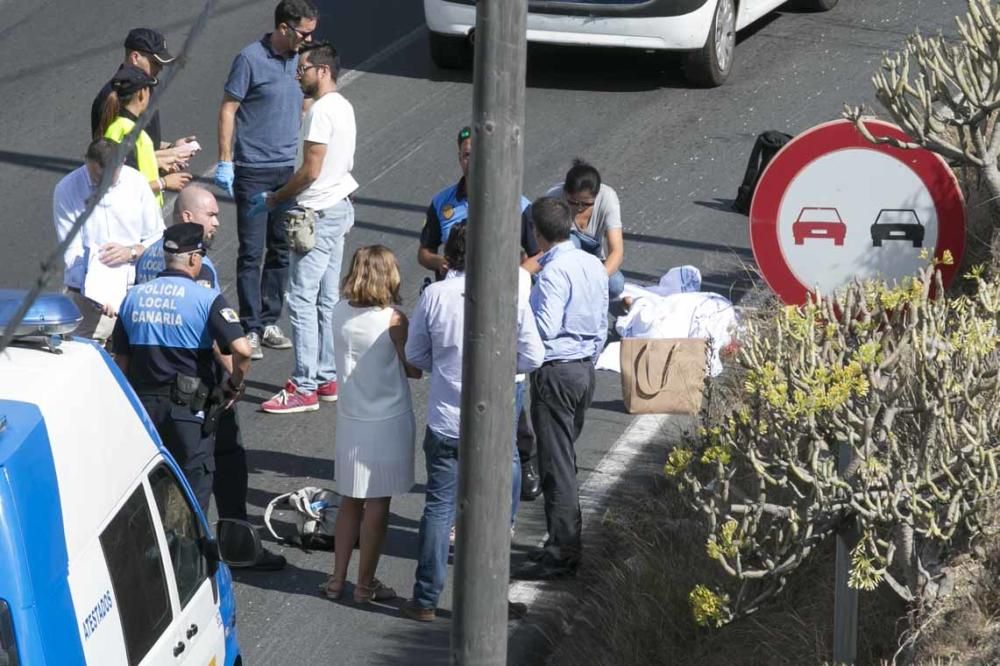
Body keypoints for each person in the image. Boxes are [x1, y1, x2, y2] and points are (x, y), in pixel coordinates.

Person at [133, 188, 285, 570]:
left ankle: (162, 553)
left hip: (149, 387)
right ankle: (228, 549)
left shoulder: (150, 257)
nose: (218, 222)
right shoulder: (202, 272)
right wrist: (234, 381)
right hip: (196, 389)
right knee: (223, 462)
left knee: (163, 474)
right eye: (212, 215)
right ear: (188, 219)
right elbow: (217, 335)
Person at [402, 224, 544, 622]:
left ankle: (426, 598)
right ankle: (491, 598)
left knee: (438, 508)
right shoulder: (509, 293)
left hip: (447, 419)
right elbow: (533, 355)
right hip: (494, 422)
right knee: (494, 512)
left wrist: (449, 367)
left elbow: (416, 353)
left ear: (451, 257)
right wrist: (498, 369)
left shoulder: (434, 295)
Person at [111, 224, 252, 513]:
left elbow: (121, 365)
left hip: (145, 411)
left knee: (151, 488)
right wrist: (234, 384)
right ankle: (191, 554)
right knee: (192, 492)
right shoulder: (205, 299)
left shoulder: (133, 298)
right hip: (189, 412)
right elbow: (242, 349)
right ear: (193, 259)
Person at [215, 0, 319, 359]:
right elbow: (229, 108)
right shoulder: (249, 59)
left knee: (280, 248)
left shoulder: (301, 61)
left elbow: (307, 100)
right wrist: (225, 161)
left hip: (285, 170)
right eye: (304, 32)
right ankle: (250, 325)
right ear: (285, 27)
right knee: (251, 252)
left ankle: (270, 319)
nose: (308, 39)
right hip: (253, 170)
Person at [259, 42, 358, 414]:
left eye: (303, 68)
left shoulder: (319, 112)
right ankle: (326, 376)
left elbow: (311, 170)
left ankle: (303, 386)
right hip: (339, 207)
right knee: (326, 297)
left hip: (316, 213)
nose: (298, 74)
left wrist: (277, 197)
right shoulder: (344, 107)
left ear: (323, 71)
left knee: (301, 298)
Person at [319, 246, 420, 603]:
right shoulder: (394, 320)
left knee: (350, 500)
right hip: (387, 419)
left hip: (351, 418)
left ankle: (336, 579)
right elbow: (414, 368)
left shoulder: (338, 312)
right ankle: (365, 584)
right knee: (377, 504)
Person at [516, 197, 608, 581]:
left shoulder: (553, 273)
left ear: (537, 233)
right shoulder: (592, 264)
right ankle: (561, 538)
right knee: (563, 458)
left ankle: (562, 550)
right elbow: (603, 321)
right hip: (585, 369)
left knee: (557, 466)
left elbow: (545, 327)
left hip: (557, 372)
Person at [53, 138, 163, 341]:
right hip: (88, 296)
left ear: (122, 164)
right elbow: (71, 250)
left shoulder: (136, 182)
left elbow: (156, 236)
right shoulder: (67, 189)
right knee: (87, 359)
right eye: (96, 179)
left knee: (137, 359)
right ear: (86, 161)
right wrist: (99, 293)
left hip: (135, 291)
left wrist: (131, 251)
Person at [417, 126, 537, 281]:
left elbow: (540, 254)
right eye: (467, 155)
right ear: (460, 159)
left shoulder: (516, 204)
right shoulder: (441, 203)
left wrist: (514, 280)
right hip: (454, 295)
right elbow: (424, 252)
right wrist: (439, 262)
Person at [91, 28, 198, 176]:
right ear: (135, 57)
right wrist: (164, 171)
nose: (160, 68)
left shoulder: (146, 88)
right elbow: (111, 162)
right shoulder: (114, 98)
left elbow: (142, 142)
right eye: (155, 62)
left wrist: (171, 147)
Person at [525, 160, 625, 300]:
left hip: (593, 261)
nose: (579, 208)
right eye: (573, 202)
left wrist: (594, 281)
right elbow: (542, 250)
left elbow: (617, 251)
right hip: (560, 259)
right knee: (571, 241)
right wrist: (521, 275)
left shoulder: (608, 198)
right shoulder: (554, 198)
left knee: (615, 284)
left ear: (596, 196)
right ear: (565, 193)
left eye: (587, 204)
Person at [98, 66, 192, 206]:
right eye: (150, 90)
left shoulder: (123, 127)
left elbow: (136, 167)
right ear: (142, 93)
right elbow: (124, 188)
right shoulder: (127, 133)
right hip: (136, 217)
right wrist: (164, 183)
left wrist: (160, 163)